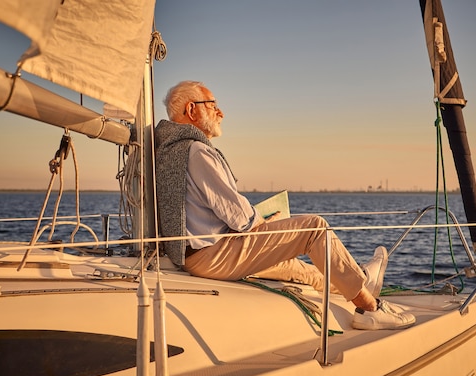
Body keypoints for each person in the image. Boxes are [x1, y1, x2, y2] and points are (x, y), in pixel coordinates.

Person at [154, 80, 415, 330]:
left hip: (201, 255)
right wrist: (267, 223)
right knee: (314, 229)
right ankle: (370, 309)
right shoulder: (197, 152)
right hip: (214, 255)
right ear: (191, 109)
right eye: (213, 105)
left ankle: (363, 282)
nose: (220, 112)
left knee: (301, 270)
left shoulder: (172, 150)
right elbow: (238, 216)